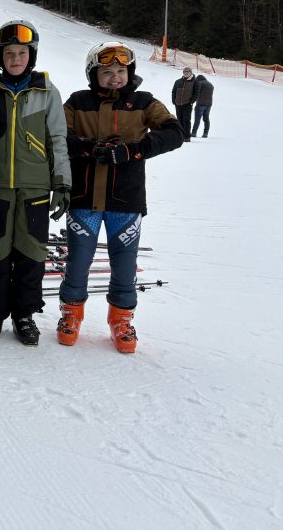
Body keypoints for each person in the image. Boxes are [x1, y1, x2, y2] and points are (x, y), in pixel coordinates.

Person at [58, 42, 183, 353]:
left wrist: (132, 150)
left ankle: (121, 320)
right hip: (84, 198)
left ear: (130, 72)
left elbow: (175, 132)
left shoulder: (144, 103)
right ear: (93, 74)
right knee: (78, 262)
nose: (115, 76)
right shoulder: (78, 102)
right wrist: (87, 147)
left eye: (120, 71)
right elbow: (57, 136)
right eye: (106, 71)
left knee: (124, 265)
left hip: (125, 201)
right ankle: (71, 315)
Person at [0, 20, 71, 346]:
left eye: (22, 53)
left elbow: (58, 138)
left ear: (32, 56)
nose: (16, 58)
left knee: (31, 254)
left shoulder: (46, 91)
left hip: (35, 188)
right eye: (10, 53)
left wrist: (61, 183)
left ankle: (24, 315)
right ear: (0, 58)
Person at [171, 66, 200, 142]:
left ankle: (187, 137)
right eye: (184, 72)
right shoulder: (178, 81)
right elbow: (174, 91)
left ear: (191, 73)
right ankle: (181, 136)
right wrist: (174, 101)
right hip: (178, 104)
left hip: (187, 104)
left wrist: (191, 102)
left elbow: (196, 93)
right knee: (179, 120)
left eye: (187, 72)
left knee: (186, 120)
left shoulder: (195, 82)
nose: (186, 73)